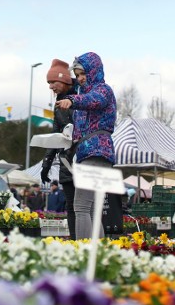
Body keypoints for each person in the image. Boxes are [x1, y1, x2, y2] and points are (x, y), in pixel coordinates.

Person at [54, 52, 117, 240]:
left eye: (83, 74)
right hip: (92, 154)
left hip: (95, 152)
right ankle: (100, 252)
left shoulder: (102, 90)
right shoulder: (85, 93)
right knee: (91, 209)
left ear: (94, 71)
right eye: (78, 74)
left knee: (81, 207)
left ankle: (82, 252)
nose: (80, 78)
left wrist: (72, 100)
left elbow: (92, 100)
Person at [40, 58, 78, 236]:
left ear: (64, 80)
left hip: (83, 159)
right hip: (66, 162)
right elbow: (55, 136)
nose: (50, 87)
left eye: (53, 82)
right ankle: (75, 241)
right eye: (48, 83)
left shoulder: (82, 96)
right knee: (71, 205)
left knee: (84, 205)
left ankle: (89, 243)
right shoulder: (57, 107)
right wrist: (46, 163)